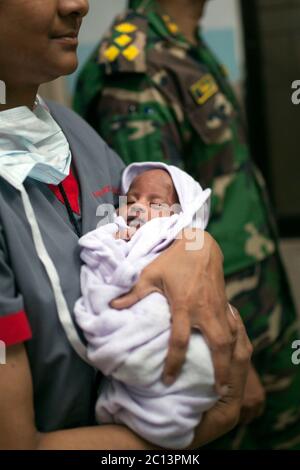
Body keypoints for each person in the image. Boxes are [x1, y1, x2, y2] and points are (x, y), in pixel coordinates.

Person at [0, 0, 252, 450]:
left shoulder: (73, 132)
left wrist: (199, 245)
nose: (78, 3)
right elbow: (19, 443)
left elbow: (161, 221)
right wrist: (195, 431)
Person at [74, 0, 300, 450]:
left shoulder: (185, 43)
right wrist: (230, 358)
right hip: (210, 327)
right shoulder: (136, 63)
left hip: (254, 300)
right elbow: (153, 239)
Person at [74, 162, 218, 449]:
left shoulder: (175, 235)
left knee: (196, 356)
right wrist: (113, 246)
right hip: (126, 315)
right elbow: (98, 253)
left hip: (164, 320)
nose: (138, 208)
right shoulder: (117, 230)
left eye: (155, 202)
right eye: (131, 200)